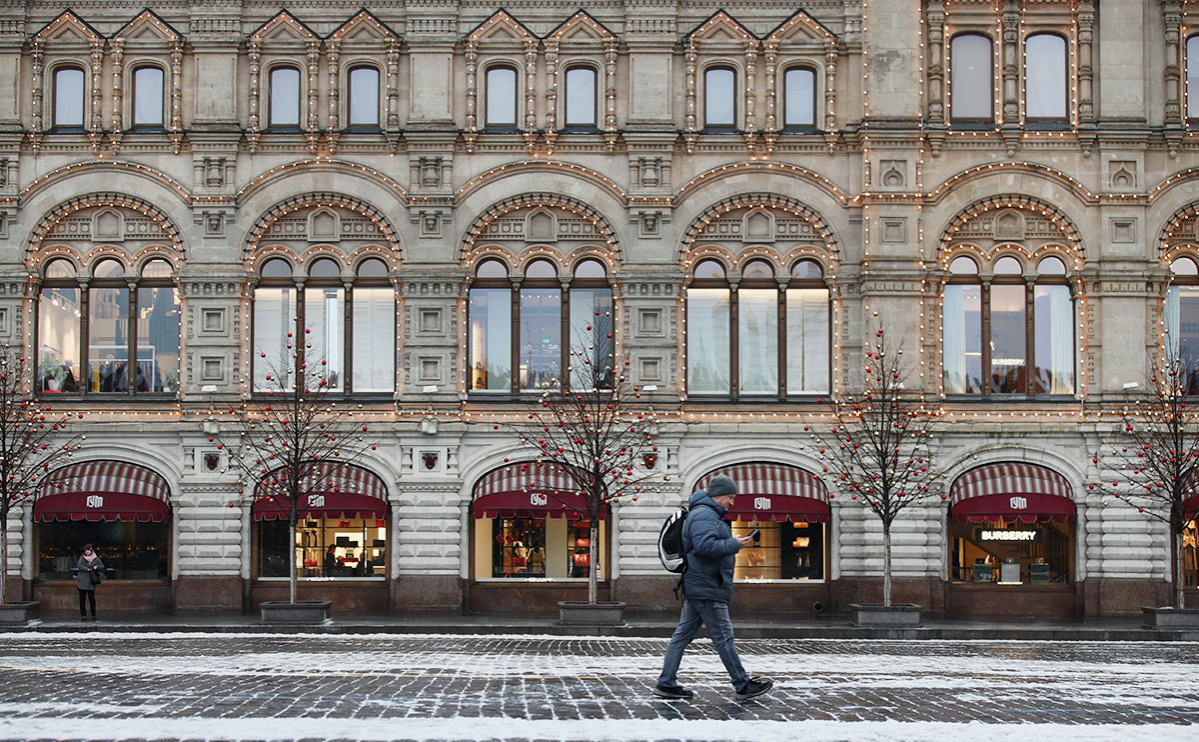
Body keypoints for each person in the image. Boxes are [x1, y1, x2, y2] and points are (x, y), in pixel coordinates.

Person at [654, 475, 773, 701]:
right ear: (717, 495)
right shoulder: (704, 514)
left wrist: (732, 542)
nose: (732, 502)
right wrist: (734, 544)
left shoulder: (707, 514)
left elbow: (707, 544)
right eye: (729, 497)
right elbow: (704, 546)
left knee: (682, 636)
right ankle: (742, 684)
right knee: (723, 637)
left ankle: (666, 683)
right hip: (708, 585)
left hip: (702, 584)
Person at [75, 544, 105, 622]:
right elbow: (79, 565)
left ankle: (93, 615)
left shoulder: (96, 559)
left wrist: (96, 567)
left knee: (92, 599)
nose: (87, 552)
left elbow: (102, 567)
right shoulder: (82, 558)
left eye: (88, 550)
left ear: (91, 551)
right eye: (86, 550)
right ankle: (83, 615)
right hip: (82, 582)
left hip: (91, 582)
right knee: (82, 599)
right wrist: (87, 569)